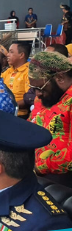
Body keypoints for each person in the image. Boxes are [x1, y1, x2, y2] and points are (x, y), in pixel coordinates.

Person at [27, 52, 72, 187]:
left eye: (40, 88)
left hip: (63, 181)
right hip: (35, 170)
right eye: (34, 89)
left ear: (60, 77)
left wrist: (39, 168)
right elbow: (31, 125)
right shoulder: (46, 96)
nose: (37, 94)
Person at [2, 41, 31, 118]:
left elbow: (29, 98)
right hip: (4, 113)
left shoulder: (28, 72)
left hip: (19, 116)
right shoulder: (8, 71)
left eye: (11, 52)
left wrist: (10, 106)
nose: (7, 55)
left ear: (21, 55)